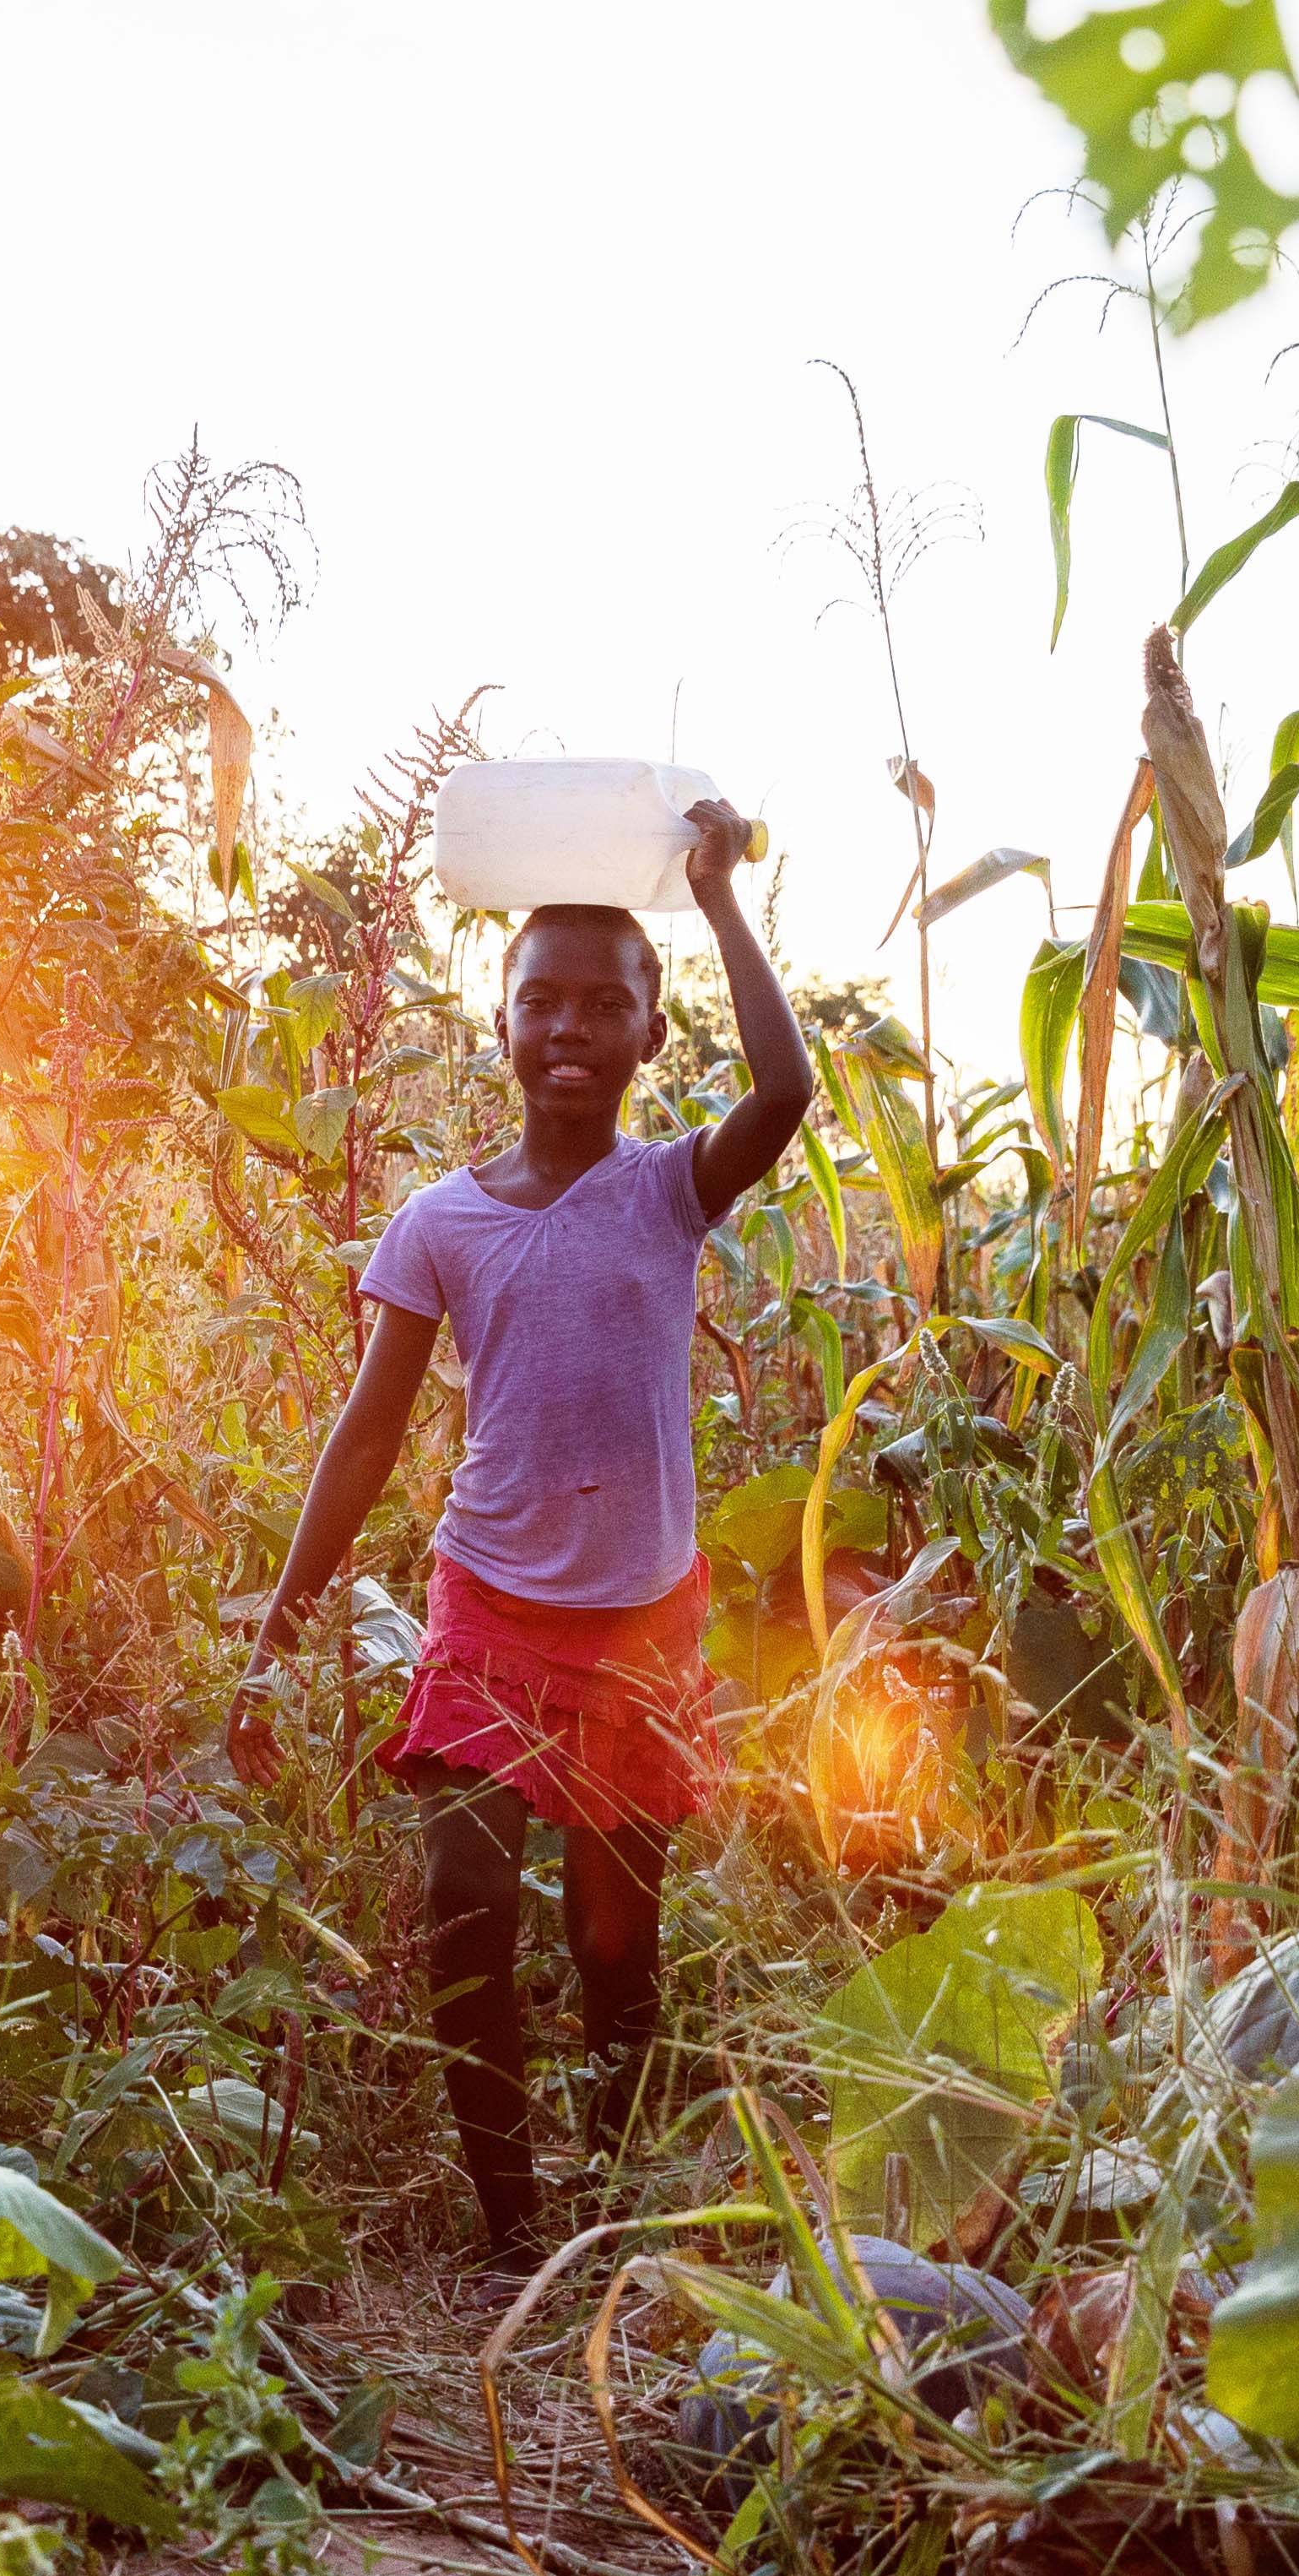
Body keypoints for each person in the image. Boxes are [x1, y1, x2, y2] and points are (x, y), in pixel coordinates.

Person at [224, 796, 815, 2270]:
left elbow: (788, 1090)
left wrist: (718, 896)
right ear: (497, 1026)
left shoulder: (668, 1190)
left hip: (637, 1617)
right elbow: (368, 1432)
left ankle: (607, 2202)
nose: (570, 1028)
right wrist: (286, 1613)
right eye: (538, 1002)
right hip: (488, 1602)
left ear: (647, 1037)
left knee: (616, 1940)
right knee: (464, 1907)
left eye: (603, 1007)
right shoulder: (441, 1221)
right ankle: (506, 2222)